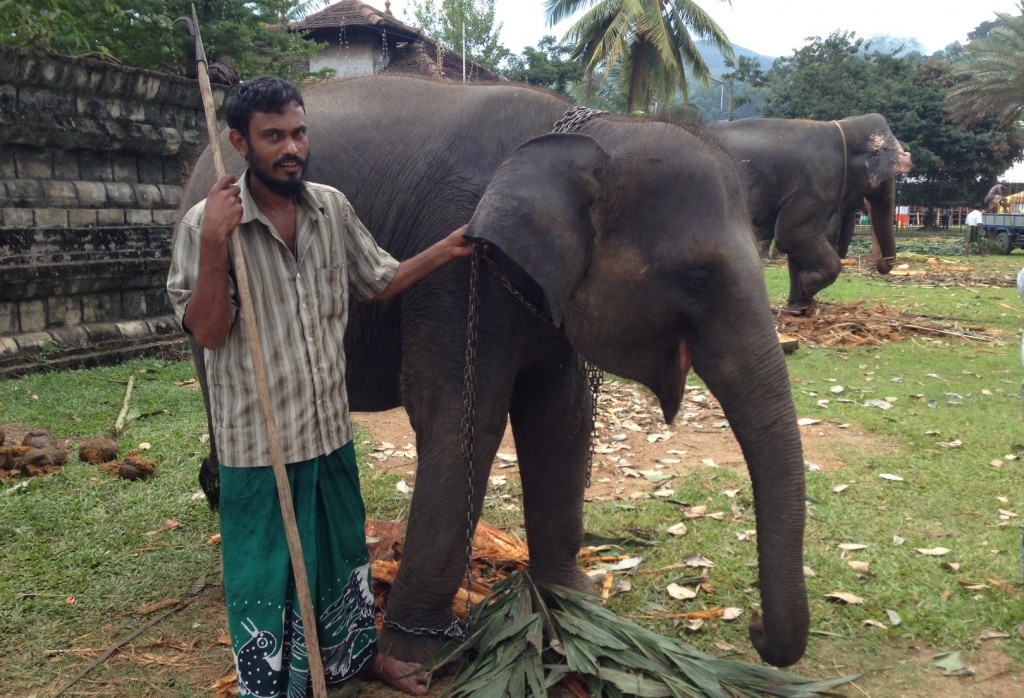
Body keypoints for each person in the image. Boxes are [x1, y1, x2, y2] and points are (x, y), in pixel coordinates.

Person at [167, 76, 472, 696]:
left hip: (328, 431)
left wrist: (445, 248)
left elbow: (378, 279)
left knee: (341, 562)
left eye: (299, 133)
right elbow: (206, 330)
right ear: (239, 142)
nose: (291, 148)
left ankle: (358, 659)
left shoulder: (331, 208)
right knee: (266, 573)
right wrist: (214, 247)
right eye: (273, 136)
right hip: (258, 444)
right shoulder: (209, 224)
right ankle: (277, 684)